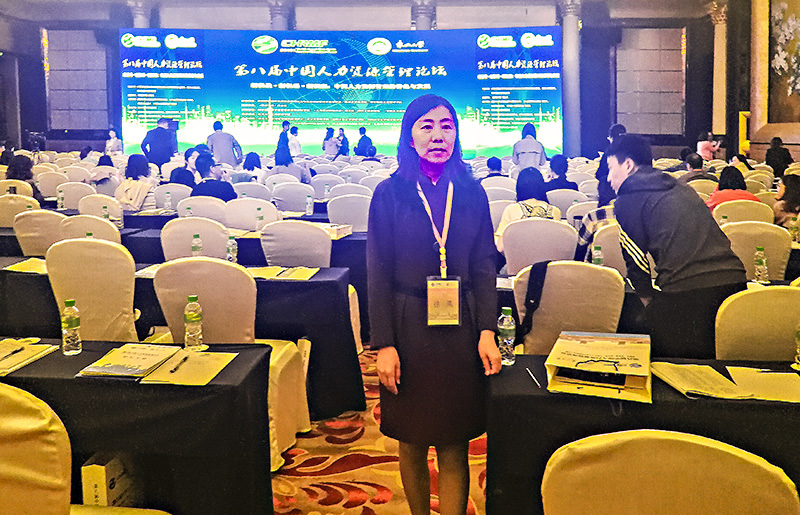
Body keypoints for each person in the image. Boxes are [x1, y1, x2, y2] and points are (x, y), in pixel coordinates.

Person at [368, 94, 501, 515]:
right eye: (426, 126)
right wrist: (384, 345)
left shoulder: (472, 192)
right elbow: (377, 273)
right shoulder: (389, 194)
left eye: (447, 125)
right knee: (411, 440)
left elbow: (484, 265)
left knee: (454, 440)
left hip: (461, 327)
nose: (438, 135)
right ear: (409, 137)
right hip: (408, 325)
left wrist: (487, 330)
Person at [609, 134, 747, 359]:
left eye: (610, 168)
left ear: (628, 165)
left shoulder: (627, 199)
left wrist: (648, 301)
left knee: (628, 333)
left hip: (687, 292)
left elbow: (636, 262)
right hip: (736, 286)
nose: (608, 178)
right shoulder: (680, 187)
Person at [495, 166, 560, 253]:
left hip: (518, 260)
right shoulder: (555, 211)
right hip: (548, 260)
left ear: (519, 187)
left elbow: (500, 247)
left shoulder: (511, 210)